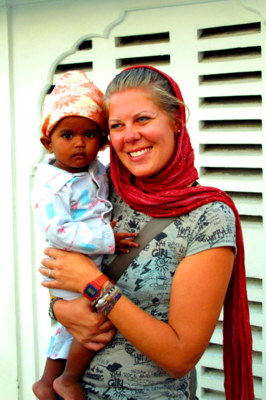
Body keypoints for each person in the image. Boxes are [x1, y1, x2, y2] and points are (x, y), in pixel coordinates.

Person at [39, 66, 254, 400]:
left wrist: (95, 287)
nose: (130, 136)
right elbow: (61, 271)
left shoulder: (208, 217)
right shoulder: (102, 189)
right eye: (116, 126)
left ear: (176, 121)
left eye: (142, 119)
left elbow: (179, 357)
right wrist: (61, 308)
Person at [31, 70, 137, 400]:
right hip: (69, 268)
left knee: (66, 327)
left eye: (90, 134)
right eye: (67, 135)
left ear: (103, 141)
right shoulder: (50, 186)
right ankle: (69, 379)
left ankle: (47, 382)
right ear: (48, 141)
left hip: (91, 266)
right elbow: (58, 231)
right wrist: (108, 238)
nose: (79, 143)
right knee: (94, 323)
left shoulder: (98, 170)